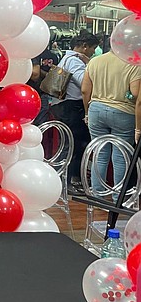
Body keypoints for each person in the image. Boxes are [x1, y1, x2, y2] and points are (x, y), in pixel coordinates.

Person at [81, 51, 141, 195]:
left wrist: (87, 112)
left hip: (96, 110)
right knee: (120, 157)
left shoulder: (95, 61)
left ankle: (98, 195)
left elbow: (84, 90)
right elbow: (135, 94)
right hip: (123, 112)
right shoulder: (134, 64)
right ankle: (117, 198)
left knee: (99, 154)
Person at [50, 30, 100, 194]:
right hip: (72, 107)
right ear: (84, 46)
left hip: (63, 105)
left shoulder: (66, 57)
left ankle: (67, 179)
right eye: (93, 48)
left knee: (68, 143)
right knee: (73, 144)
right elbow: (84, 84)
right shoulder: (76, 61)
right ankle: (69, 181)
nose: (93, 52)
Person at [27, 44, 59, 126]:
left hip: (30, 91)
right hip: (45, 92)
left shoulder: (31, 54)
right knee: (40, 124)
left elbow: (35, 75)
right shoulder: (53, 56)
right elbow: (55, 75)